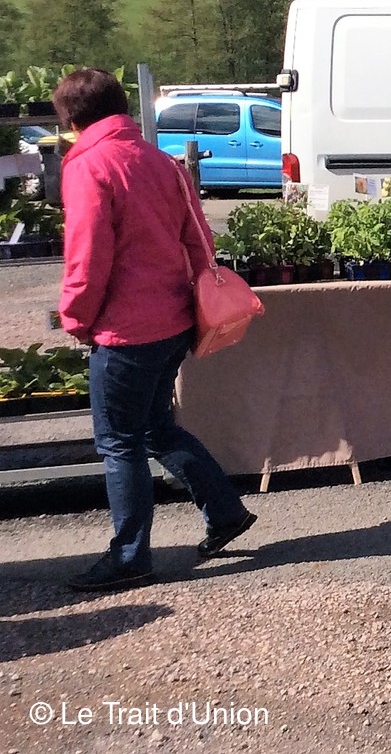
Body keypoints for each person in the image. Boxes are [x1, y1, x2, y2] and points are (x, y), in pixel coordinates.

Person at [54, 67, 257, 593]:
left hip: (125, 329)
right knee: (156, 429)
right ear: (121, 107)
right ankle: (225, 512)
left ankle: (130, 556)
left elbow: (87, 255)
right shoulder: (161, 161)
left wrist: (75, 317)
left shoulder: (89, 165)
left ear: (71, 120)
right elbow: (199, 239)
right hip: (174, 320)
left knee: (119, 442)